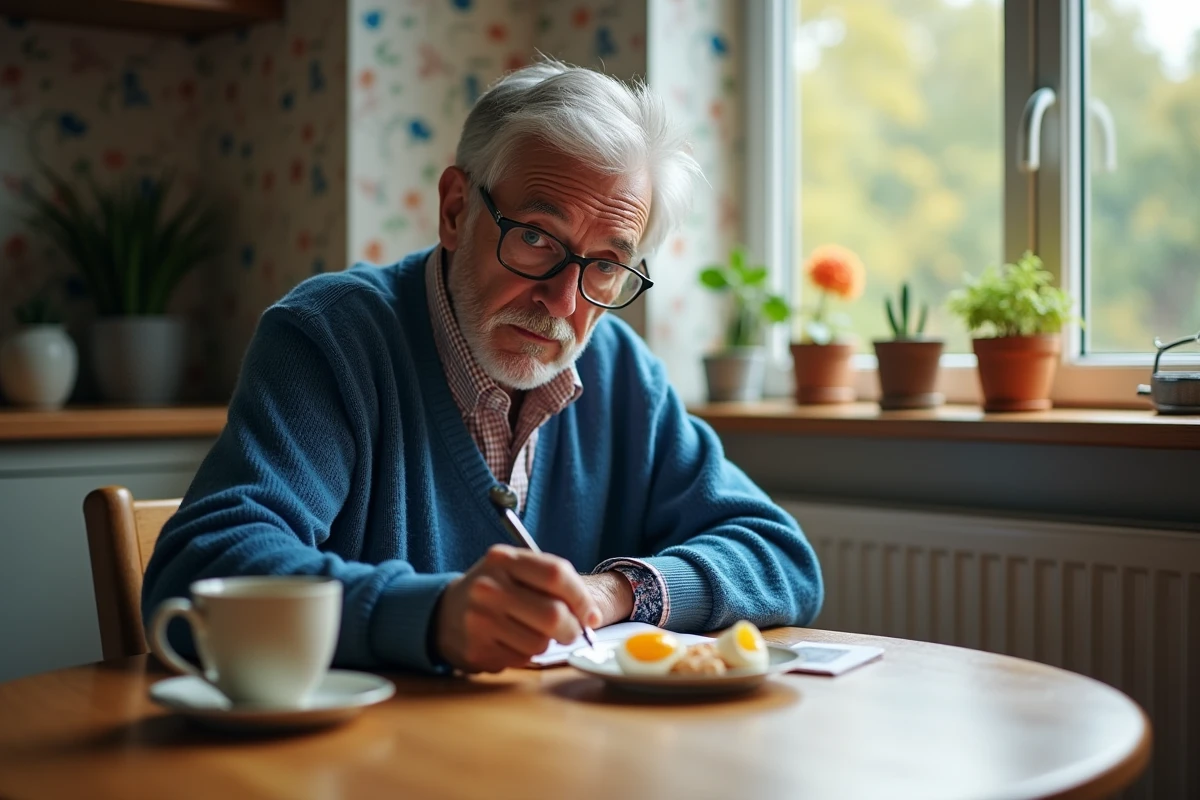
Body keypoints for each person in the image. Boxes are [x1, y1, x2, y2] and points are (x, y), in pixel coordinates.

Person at [142, 60, 823, 675]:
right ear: (456, 210)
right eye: (535, 237)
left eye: (607, 267)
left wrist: (614, 592)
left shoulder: (621, 373)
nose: (562, 300)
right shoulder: (332, 338)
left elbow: (780, 556)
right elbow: (199, 568)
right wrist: (432, 617)